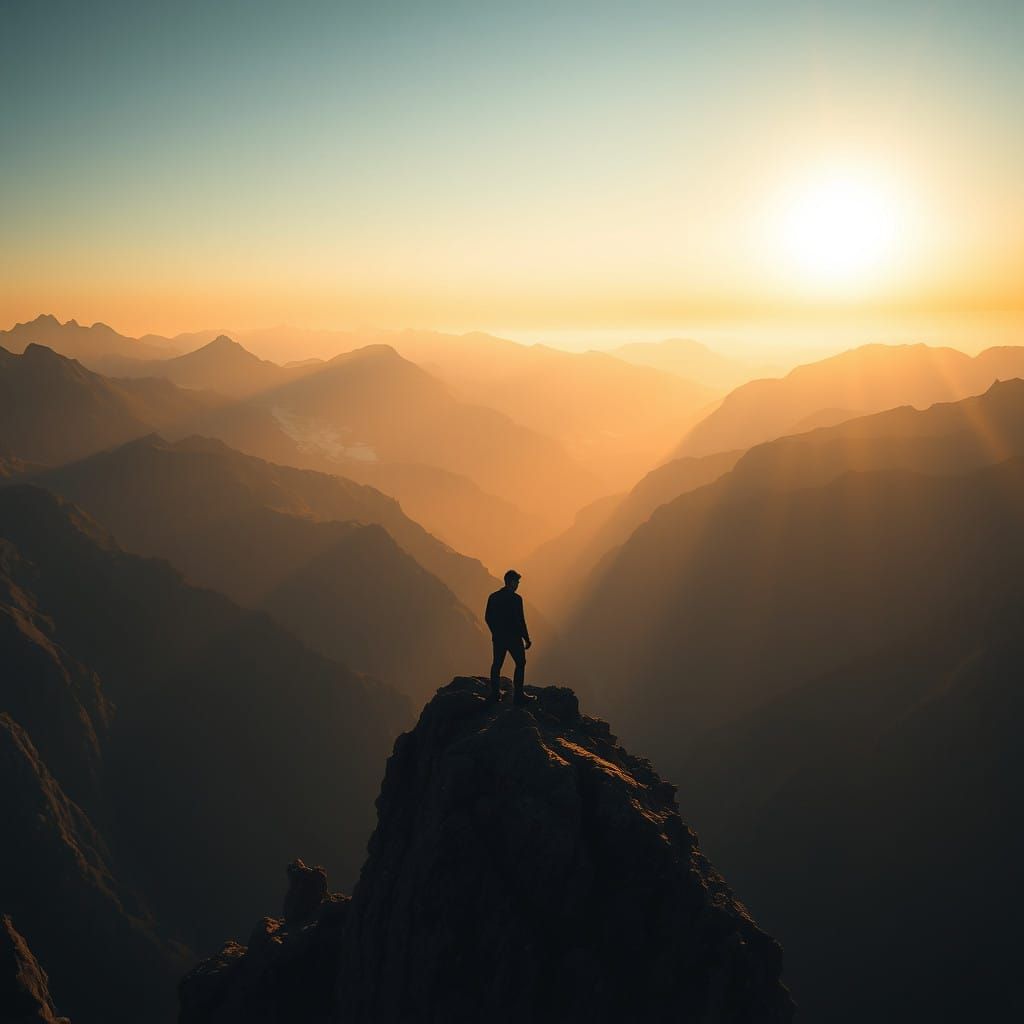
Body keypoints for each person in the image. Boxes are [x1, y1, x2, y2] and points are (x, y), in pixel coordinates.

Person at [485, 569, 535, 705]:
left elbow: (488, 617)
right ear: (511, 582)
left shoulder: (493, 597)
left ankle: (495, 695)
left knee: (497, 665)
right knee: (520, 663)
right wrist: (527, 638)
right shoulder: (516, 599)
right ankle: (518, 695)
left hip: (499, 638)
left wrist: (495, 632)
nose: (518, 584)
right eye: (517, 582)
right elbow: (521, 620)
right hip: (514, 638)